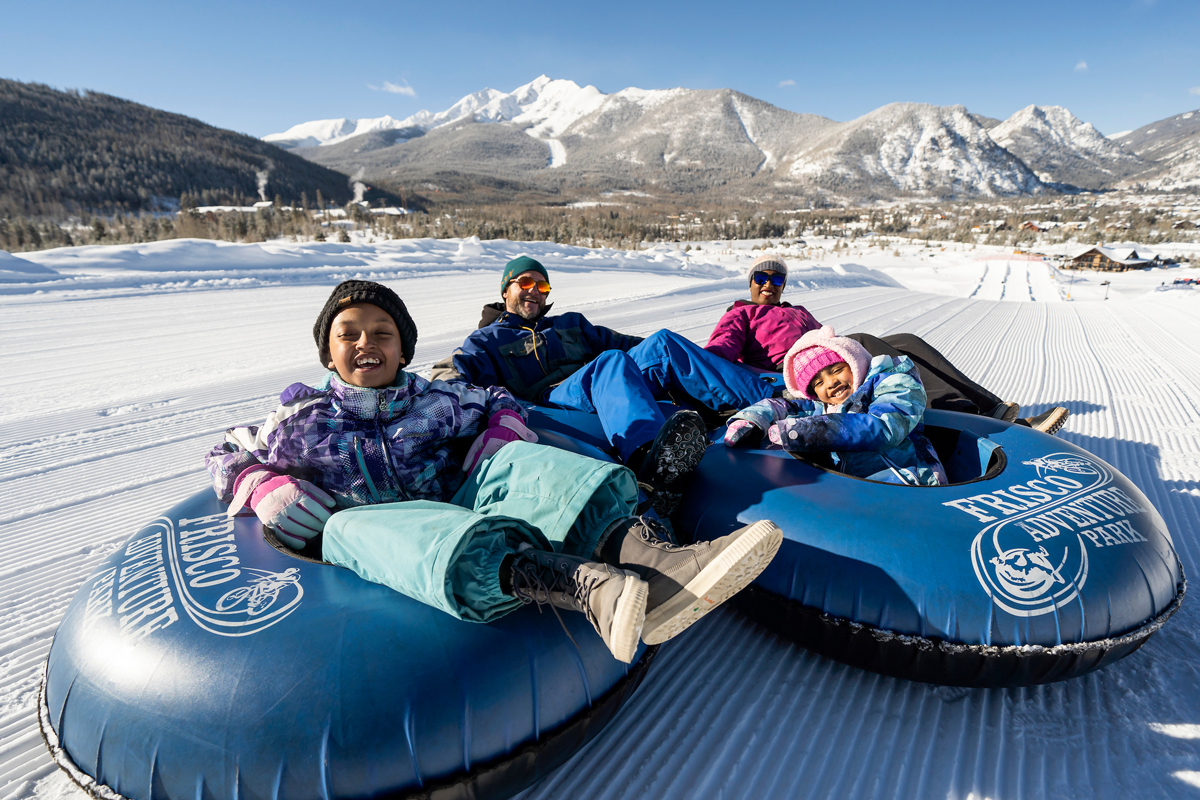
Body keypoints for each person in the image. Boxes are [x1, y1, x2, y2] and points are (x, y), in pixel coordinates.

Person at [204, 280, 782, 663]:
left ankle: (659, 567)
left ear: (403, 350)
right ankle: (582, 586)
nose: (366, 344)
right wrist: (262, 483)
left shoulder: (434, 401)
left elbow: (495, 401)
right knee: (348, 528)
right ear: (328, 354)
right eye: (348, 334)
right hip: (388, 525)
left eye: (382, 334)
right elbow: (229, 450)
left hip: (459, 494)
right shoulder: (300, 420)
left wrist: (502, 433)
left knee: (516, 461)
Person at [437, 256, 776, 517]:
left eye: (542, 287)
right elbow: (453, 370)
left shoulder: (569, 324)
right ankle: (650, 457)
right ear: (506, 289)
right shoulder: (489, 338)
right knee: (611, 361)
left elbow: (632, 344)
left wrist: (679, 357)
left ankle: (771, 398)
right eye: (525, 282)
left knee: (662, 341)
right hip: (554, 398)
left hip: (600, 378)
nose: (534, 291)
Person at [705, 253, 1070, 435]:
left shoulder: (797, 312)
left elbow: (825, 336)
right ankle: (964, 414)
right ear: (751, 282)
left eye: (777, 277)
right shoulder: (742, 314)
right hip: (793, 375)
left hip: (824, 357)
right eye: (761, 277)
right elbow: (719, 355)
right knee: (866, 342)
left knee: (903, 341)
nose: (769, 283)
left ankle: (993, 408)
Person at [724, 326, 947, 486]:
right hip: (865, 487)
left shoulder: (893, 381)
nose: (831, 383)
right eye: (819, 383)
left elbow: (885, 427)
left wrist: (803, 432)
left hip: (912, 483)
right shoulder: (828, 405)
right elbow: (784, 405)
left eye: (836, 370)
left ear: (855, 362)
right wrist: (752, 418)